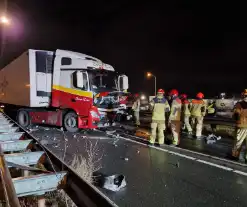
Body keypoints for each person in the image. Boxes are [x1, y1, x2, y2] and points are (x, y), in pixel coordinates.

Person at [231, 89, 247, 162]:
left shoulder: (239, 104)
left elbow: (235, 116)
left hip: (242, 126)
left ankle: (235, 156)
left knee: (238, 142)